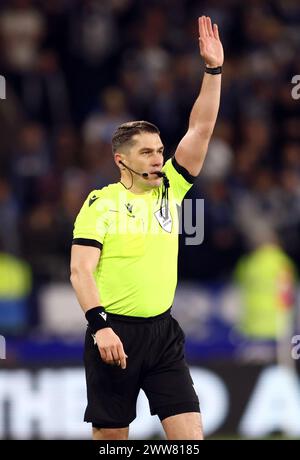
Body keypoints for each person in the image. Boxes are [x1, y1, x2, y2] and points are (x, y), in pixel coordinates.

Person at [70, 16, 223, 440]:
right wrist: (99, 327)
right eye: (146, 153)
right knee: (112, 441)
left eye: (159, 150)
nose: (158, 159)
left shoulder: (170, 189)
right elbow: (81, 271)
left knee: (190, 440)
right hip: (113, 333)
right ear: (122, 160)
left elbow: (202, 128)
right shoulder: (101, 204)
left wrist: (213, 72)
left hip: (164, 333)